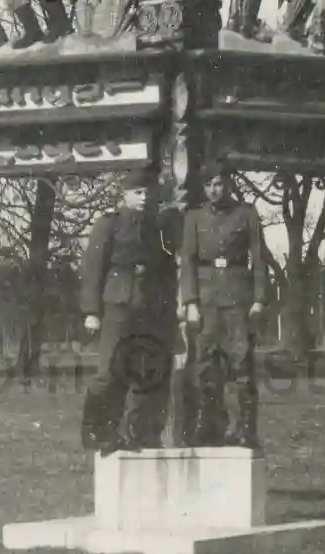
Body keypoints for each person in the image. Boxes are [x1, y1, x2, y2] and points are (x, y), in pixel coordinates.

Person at [79, 170, 178, 454]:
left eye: (147, 193)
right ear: (123, 195)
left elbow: (166, 269)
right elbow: (93, 268)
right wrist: (91, 311)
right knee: (110, 370)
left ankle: (139, 433)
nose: (144, 197)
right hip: (117, 303)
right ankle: (98, 431)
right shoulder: (109, 224)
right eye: (137, 192)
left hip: (149, 306)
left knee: (145, 371)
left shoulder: (158, 227)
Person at [179, 173, 266, 448]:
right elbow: (188, 262)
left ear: (227, 186)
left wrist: (259, 299)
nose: (213, 190)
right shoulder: (194, 217)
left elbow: (260, 258)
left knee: (241, 363)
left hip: (237, 296)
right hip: (206, 300)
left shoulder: (246, 214)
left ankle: (246, 430)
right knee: (205, 365)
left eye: (218, 184)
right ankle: (211, 427)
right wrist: (191, 302)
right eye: (207, 185)